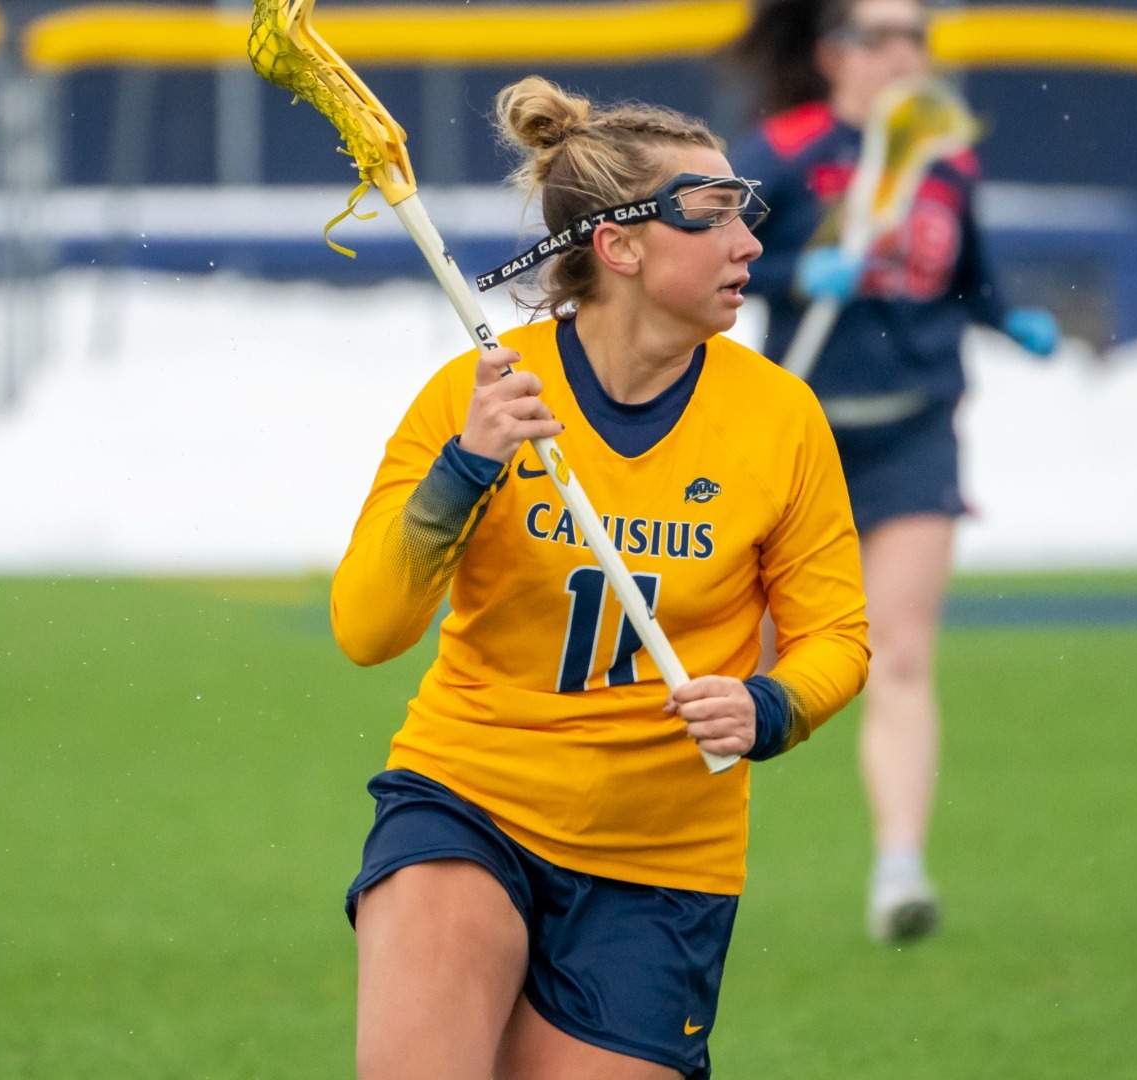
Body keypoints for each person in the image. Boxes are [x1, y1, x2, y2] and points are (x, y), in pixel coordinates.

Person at [330, 76, 870, 1080]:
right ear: (619, 246)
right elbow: (367, 628)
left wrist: (768, 706)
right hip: (468, 799)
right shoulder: (479, 394)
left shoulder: (782, 418)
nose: (750, 244)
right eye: (712, 219)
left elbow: (837, 637)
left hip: (661, 864)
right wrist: (468, 466)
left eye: (745, 217)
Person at [729, 0, 1059, 945]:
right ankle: (637, 844)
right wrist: (798, 271)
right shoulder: (785, 151)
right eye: (884, 36)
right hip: (803, 436)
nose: (905, 53)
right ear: (836, 54)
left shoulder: (944, 159)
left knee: (897, 654)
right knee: (740, 659)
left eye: (916, 35)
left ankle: (900, 871)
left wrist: (1011, 320)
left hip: (916, 428)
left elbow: (970, 279)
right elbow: (716, 266)